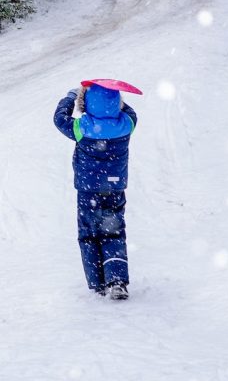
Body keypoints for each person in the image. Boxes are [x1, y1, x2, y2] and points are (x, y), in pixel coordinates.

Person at [53, 79, 141, 299]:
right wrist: (114, 98)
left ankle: (98, 282)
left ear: (87, 105)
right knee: (113, 232)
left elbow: (59, 118)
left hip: (88, 191)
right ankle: (117, 280)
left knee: (89, 235)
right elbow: (129, 110)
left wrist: (71, 97)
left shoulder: (82, 128)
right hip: (114, 188)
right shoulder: (126, 124)